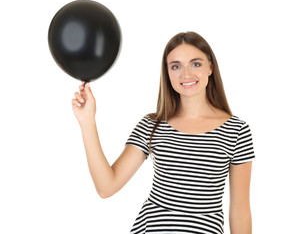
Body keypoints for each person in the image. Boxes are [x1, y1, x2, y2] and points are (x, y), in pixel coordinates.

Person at [72, 31, 255, 234]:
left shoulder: (236, 130)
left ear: (210, 67)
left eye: (196, 64)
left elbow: (240, 210)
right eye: (176, 66)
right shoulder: (152, 125)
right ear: (167, 73)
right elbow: (106, 187)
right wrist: (87, 121)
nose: (186, 74)